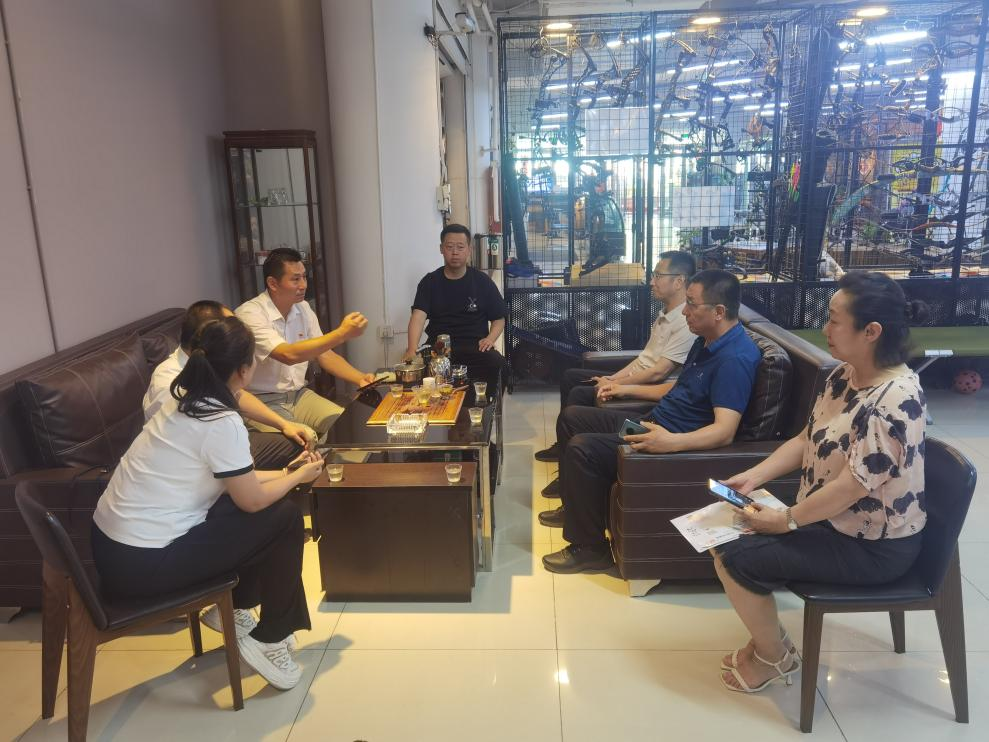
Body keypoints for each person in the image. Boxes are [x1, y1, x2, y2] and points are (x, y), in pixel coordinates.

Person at [713, 272, 928, 693]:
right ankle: (770, 643)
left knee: (735, 555)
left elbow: (852, 487)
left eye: (833, 320)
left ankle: (775, 657)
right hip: (833, 520)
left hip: (872, 546)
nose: (824, 329)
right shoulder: (845, 376)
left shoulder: (895, 399)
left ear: (871, 332)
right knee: (726, 531)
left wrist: (787, 520)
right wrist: (755, 476)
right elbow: (805, 438)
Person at [91, 316, 324, 690]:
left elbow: (236, 484)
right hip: (143, 566)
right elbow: (251, 500)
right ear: (244, 371)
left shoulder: (183, 400)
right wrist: (298, 478)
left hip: (111, 551)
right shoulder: (221, 421)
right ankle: (271, 638)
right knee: (284, 518)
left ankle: (237, 606)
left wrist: (287, 472)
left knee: (263, 510)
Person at [540, 270, 762, 574]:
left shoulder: (735, 359)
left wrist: (670, 442)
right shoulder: (706, 341)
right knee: (573, 418)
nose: (684, 311)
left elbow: (724, 432)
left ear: (719, 312)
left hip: (663, 441)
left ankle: (590, 549)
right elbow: (676, 389)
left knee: (583, 448)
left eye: (692, 304)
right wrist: (624, 389)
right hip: (648, 424)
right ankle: (574, 508)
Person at [534, 251, 698, 470]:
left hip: (652, 406)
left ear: (679, 282)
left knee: (578, 404)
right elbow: (644, 360)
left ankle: (571, 452)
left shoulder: (692, 329)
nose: (651, 282)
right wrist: (613, 380)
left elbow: (659, 374)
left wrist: (618, 386)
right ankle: (567, 451)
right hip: (652, 410)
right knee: (572, 380)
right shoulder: (670, 316)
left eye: (658, 276)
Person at [144, 300, 314, 469]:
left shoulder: (211, 363)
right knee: (297, 451)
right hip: (191, 462)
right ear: (210, 335)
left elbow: (238, 394)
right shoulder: (169, 386)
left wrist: (284, 424)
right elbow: (191, 455)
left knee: (298, 441)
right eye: (230, 327)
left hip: (215, 445)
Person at [236, 248, 375, 437]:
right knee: (306, 438)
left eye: (304, 277)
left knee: (345, 423)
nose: (303, 285)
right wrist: (342, 334)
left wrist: (360, 378)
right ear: (272, 283)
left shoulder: (303, 308)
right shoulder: (250, 314)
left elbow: (324, 354)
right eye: (295, 279)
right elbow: (288, 354)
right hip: (261, 401)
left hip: (299, 395)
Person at [403, 223, 508, 388]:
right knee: (414, 376)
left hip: (475, 347)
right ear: (441, 249)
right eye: (450, 246)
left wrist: (490, 339)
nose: (455, 252)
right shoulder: (430, 282)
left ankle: (487, 403)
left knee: (500, 365)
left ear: (469, 249)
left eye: (460, 247)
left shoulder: (482, 281)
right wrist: (411, 349)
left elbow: (499, 318)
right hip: (438, 349)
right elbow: (418, 317)